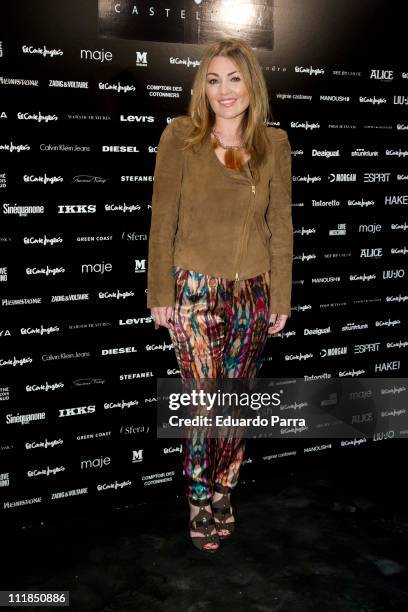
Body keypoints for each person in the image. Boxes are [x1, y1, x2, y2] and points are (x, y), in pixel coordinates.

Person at [147, 38, 293, 553]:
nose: (224, 90)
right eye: (213, 80)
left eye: (233, 78)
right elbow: (162, 218)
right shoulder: (180, 137)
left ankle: (225, 489)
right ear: (202, 87)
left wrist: (280, 299)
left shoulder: (274, 144)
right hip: (193, 290)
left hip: (254, 292)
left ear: (251, 83)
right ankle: (198, 495)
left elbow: (281, 225)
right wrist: (159, 289)